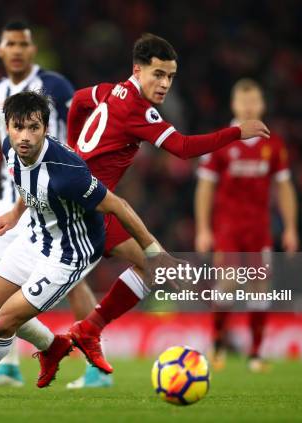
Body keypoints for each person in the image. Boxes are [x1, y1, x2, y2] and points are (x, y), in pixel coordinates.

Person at [52, 33, 271, 374]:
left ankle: (88, 329)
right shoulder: (138, 111)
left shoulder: (110, 91)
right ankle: (84, 330)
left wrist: (73, 147)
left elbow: (80, 100)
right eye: (158, 74)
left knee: (152, 268)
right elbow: (182, 148)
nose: (165, 83)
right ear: (137, 70)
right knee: (28, 295)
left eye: (170, 76)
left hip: (90, 201)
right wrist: (237, 133)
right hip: (87, 207)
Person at [0, 91, 166, 399]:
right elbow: (28, 185)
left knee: (5, 320)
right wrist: (15, 214)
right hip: (36, 235)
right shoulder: (9, 149)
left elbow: (118, 206)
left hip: (70, 253)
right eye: (18, 127)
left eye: (34, 128)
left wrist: (153, 252)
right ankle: (53, 348)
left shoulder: (68, 172)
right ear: (8, 127)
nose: (24, 136)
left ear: (46, 129)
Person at [0, 21, 106, 388]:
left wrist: (78, 169)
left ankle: (96, 361)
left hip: (54, 192)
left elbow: (85, 124)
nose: (16, 49)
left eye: (23, 44)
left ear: (32, 50)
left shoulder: (55, 86)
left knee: (72, 279)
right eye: (10, 43)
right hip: (13, 194)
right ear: (0, 50)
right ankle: (9, 364)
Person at [194, 78, 299, 372]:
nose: (250, 107)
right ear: (234, 105)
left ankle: (255, 353)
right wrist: (203, 229)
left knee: (259, 288)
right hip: (228, 226)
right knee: (227, 282)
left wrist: (290, 227)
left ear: (262, 105)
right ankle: (217, 343)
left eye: (254, 101)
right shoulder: (221, 141)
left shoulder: (273, 144)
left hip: (259, 229)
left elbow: (285, 187)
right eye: (244, 101)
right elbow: (205, 187)